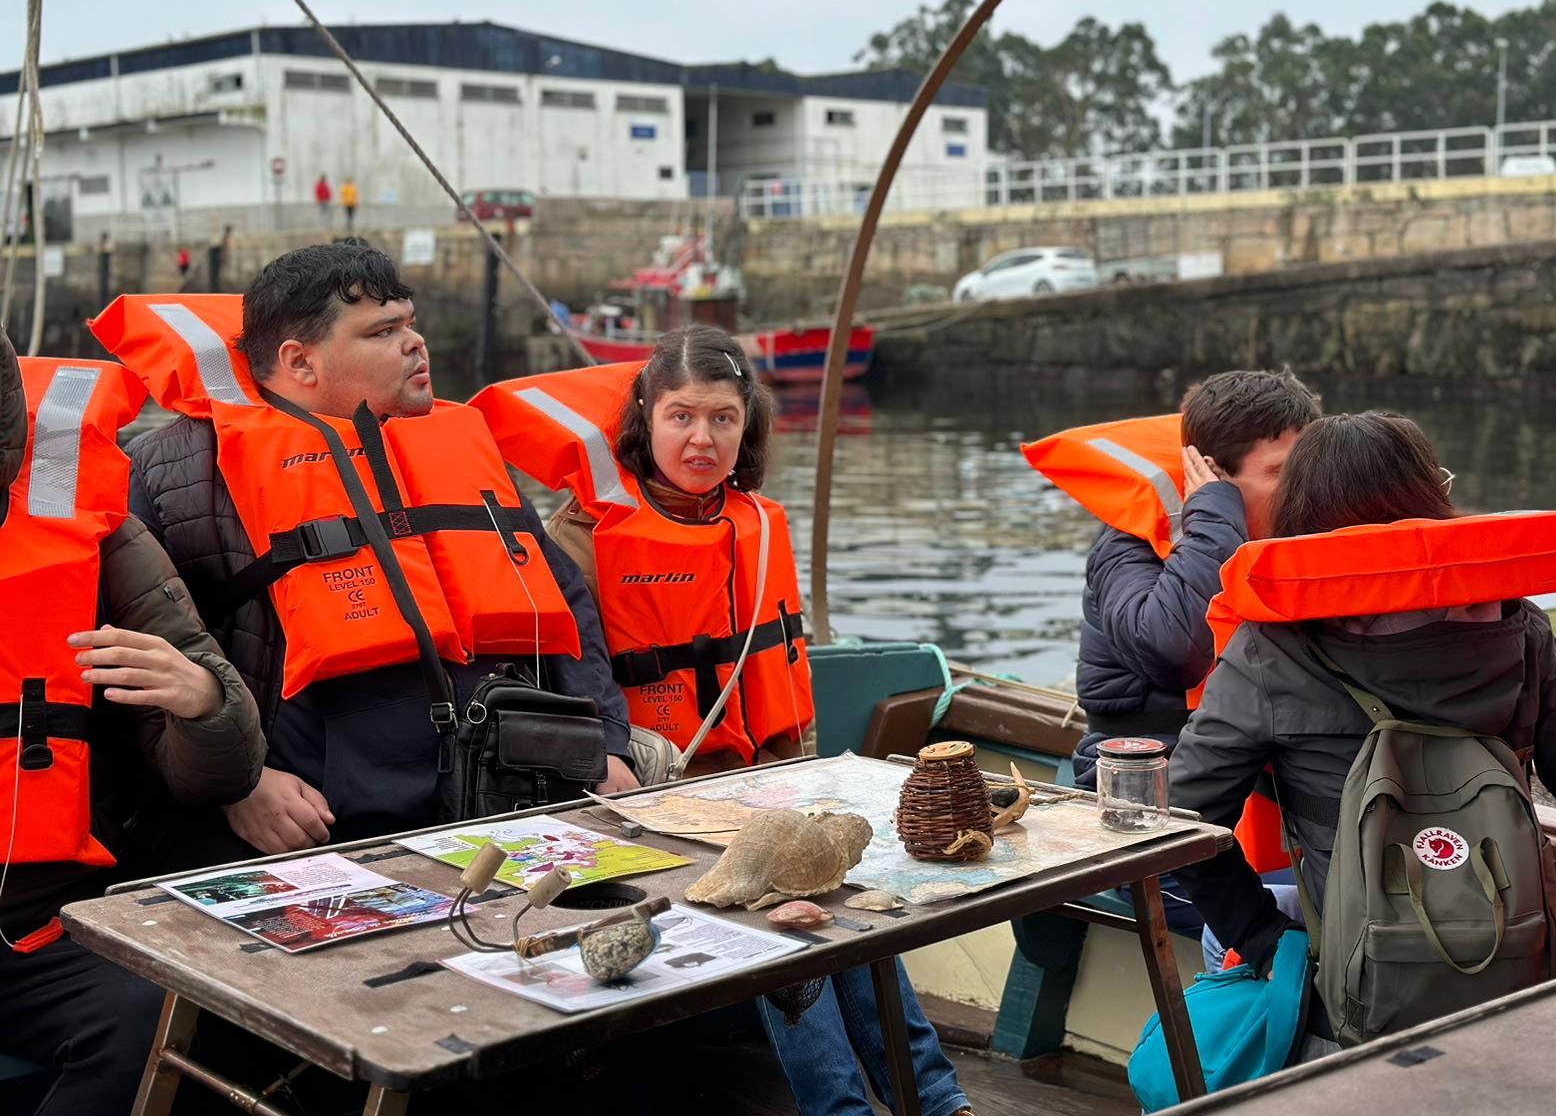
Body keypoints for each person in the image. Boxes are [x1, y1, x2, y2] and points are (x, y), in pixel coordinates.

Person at [471, 326, 972, 1116]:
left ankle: (940, 1103)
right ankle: (852, 1110)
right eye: (680, 417)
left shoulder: (761, 526)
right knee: (791, 917)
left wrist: (808, 801)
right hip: (641, 809)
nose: (702, 439)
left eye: (723, 419)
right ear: (645, 417)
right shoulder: (580, 535)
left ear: (749, 426)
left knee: (845, 898)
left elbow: (788, 690)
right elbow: (565, 693)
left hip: (758, 792)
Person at [94, 241, 634, 865]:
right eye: (383, 331)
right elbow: (137, 661)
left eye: (410, 322)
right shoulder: (175, 474)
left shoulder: (461, 447)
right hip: (309, 820)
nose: (415, 342)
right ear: (300, 362)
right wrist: (238, 786)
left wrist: (609, 741)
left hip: (493, 794)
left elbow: (564, 599)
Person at [1170, 413, 1556, 1022]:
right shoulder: (1518, 627)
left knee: (1221, 942)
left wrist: (1266, 940)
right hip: (1518, 960)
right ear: (1433, 500)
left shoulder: (1271, 648)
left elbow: (1185, 817)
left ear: (1301, 520)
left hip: (1355, 983)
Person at [0, 332, 265, 1114]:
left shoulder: (98, 533)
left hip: (40, 923)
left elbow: (221, 763)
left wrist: (205, 703)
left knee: (150, 1018)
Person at [1062, 368, 1322, 785]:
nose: (1303, 490)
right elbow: (1174, 652)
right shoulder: (1131, 541)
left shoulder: (1299, 534)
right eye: (1278, 474)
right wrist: (1216, 515)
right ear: (1212, 474)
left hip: (1264, 761)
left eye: (1307, 470)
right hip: (1149, 772)